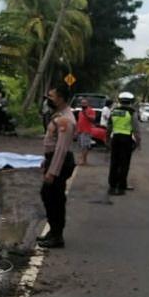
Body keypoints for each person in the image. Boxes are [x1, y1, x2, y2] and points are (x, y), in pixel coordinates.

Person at [39, 84, 77, 249]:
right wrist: (45, 161)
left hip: (59, 162)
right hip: (54, 159)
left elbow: (61, 149)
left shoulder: (65, 120)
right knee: (49, 196)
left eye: (51, 96)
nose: (48, 99)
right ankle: (53, 231)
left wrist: (52, 172)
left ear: (61, 99)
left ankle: (57, 235)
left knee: (54, 198)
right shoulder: (60, 115)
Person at [106, 91, 140, 195]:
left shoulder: (114, 111)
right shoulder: (132, 112)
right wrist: (138, 141)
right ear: (131, 102)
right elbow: (135, 129)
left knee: (114, 162)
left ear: (120, 101)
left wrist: (107, 139)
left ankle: (112, 185)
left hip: (115, 138)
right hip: (126, 139)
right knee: (124, 164)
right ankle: (121, 186)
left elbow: (109, 127)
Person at [76, 98, 95, 166]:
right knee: (81, 146)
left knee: (85, 146)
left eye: (84, 103)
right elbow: (79, 121)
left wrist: (86, 115)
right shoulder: (80, 111)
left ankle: (83, 160)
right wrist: (77, 130)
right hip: (80, 131)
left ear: (88, 104)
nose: (83, 104)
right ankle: (83, 160)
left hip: (86, 131)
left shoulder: (90, 110)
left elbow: (93, 119)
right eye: (82, 103)